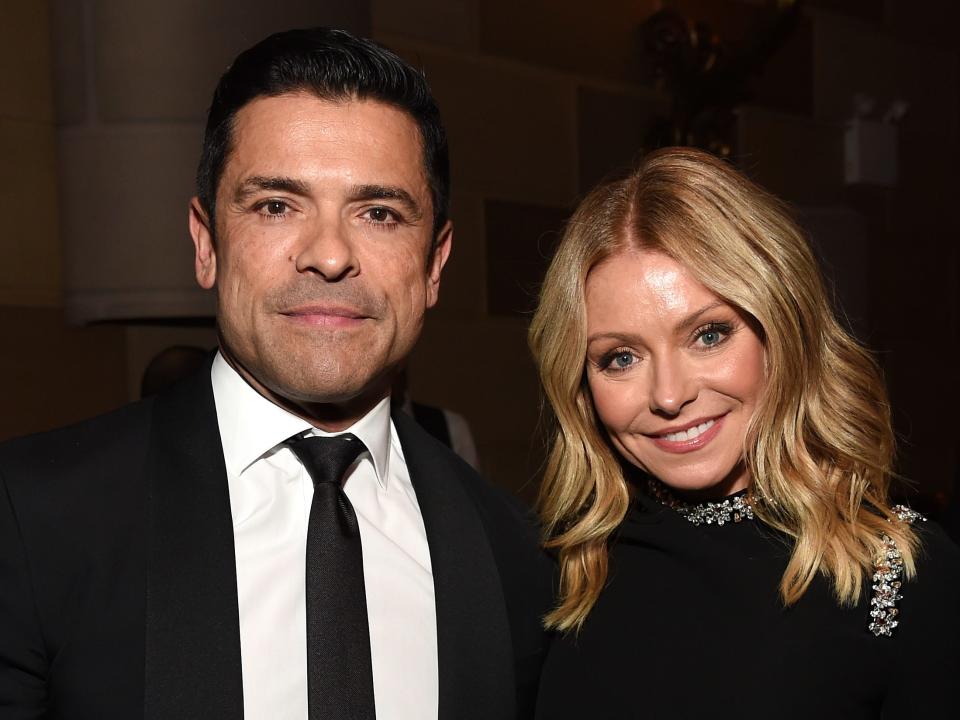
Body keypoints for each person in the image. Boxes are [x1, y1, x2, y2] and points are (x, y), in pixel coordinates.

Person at [0, 28, 551, 720]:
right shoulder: (33, 519)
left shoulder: (518, 557)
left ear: (435, 264)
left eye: (378, 213)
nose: (328, 255)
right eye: (276, 206)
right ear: (206, 244)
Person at [528, 147, 960, 718]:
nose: (668, 395)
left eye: (708, 335)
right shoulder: (556, 565)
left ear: (781, 330)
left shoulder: (898, 574)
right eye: (621, 357)